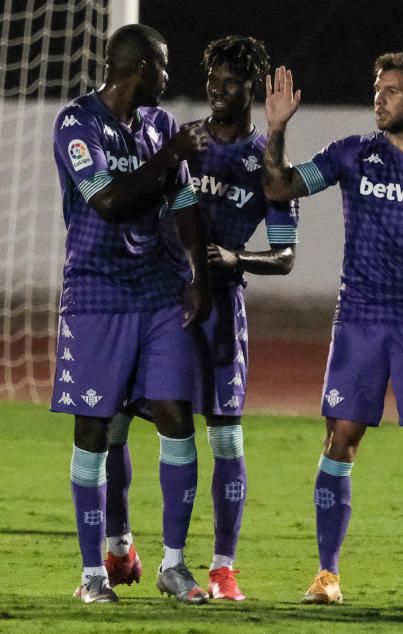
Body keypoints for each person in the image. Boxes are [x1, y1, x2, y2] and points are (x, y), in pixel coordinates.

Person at [261, 52, 403, 608]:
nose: (379, 99)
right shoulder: (352, 153)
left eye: (391, 91)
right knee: (340, 438)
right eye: (377, 89)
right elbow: (281, 187)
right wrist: (277, 129)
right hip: (359, 318)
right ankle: (326, 575)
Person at [102, 35, 299, 602]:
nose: (217, 89)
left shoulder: (266, 164)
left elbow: (285, 255)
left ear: (251, 90)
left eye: (231, 82)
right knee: (114, 423)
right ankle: (119, 546)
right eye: (213, 78)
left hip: (219, 313)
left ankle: (222, 568)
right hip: (157, 301)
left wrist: (238, 259)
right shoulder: (178, 140)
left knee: (226, 439)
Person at [50, 23, 210, 604]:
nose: (168, 77)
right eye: (163, 65)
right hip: (98, 293)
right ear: (141, 68)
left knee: (175, 415)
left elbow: (184, 200)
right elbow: (109, 201)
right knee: (94, 429)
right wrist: (170, 156)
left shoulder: (160, 125)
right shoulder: (77, 122)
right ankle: (93, 574)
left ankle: (174, 565)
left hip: (160, 290)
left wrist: (197, 274)